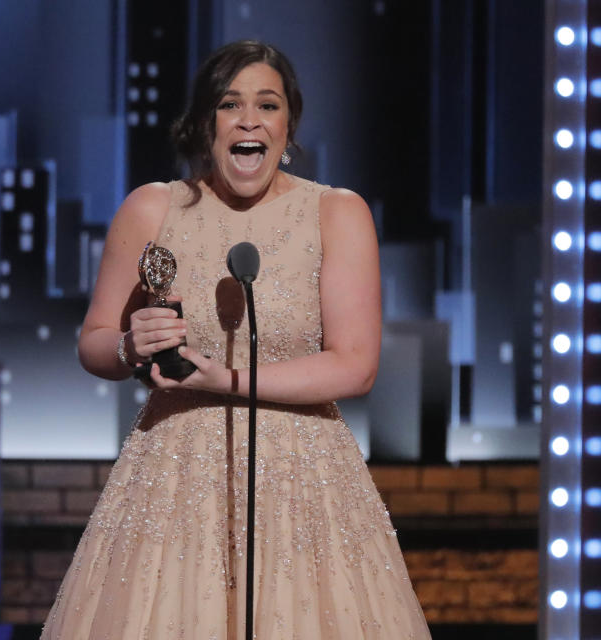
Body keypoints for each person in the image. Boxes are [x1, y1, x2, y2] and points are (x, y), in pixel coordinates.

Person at [42, 40, 431, 639]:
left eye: (267, 105)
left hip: (305, 484)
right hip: (173, 485)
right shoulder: (153, 208)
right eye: (230, 104)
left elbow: (356, 367)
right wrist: (130, 344)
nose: (249, 119)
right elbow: (94, 341)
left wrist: (225, 381)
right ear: (205, 122)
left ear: (288, 123)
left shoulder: (336, 213)